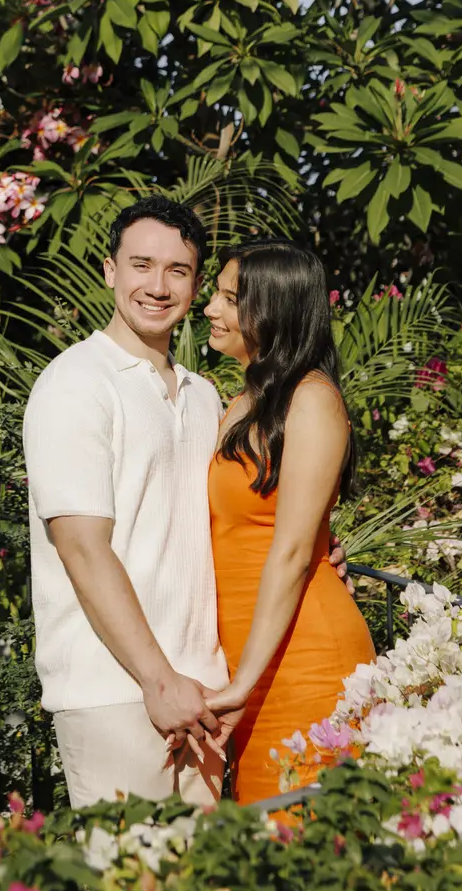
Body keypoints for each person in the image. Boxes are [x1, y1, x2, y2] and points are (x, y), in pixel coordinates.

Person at [21, 196, 351, 808]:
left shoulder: (206, 397)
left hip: (207, 688)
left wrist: (319, 552)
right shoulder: (75, 384)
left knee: (217, 866)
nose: (158, 286)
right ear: (109, 270)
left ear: (194, 283)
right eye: (141, 264)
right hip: (117, 687)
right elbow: (83, 550)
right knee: (130, 868)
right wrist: (157, 679)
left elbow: (250, 515)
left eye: (178, 270)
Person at [202, 239, 373, 802]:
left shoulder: (312, 399)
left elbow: (295, 551)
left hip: (303, 660)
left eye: (231, 299)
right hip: (254, 660)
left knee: (304, 836)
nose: (211, 309)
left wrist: (242, 685)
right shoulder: (246, 399)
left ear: (273, 310)